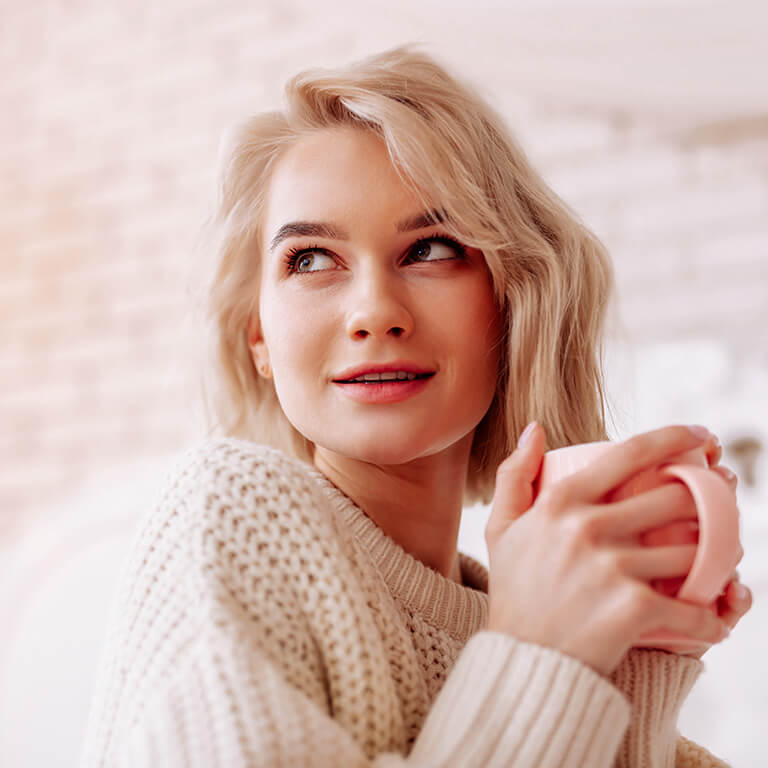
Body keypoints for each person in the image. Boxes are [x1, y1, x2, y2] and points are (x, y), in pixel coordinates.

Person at [79, 44, 752, 767]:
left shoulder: (530, 602)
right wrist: (539, 655)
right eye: (309, 259)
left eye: (430, 248)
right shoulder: (228, 508)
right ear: (260, 341)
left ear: (511, 302)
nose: (373, 313)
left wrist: (632, 660)